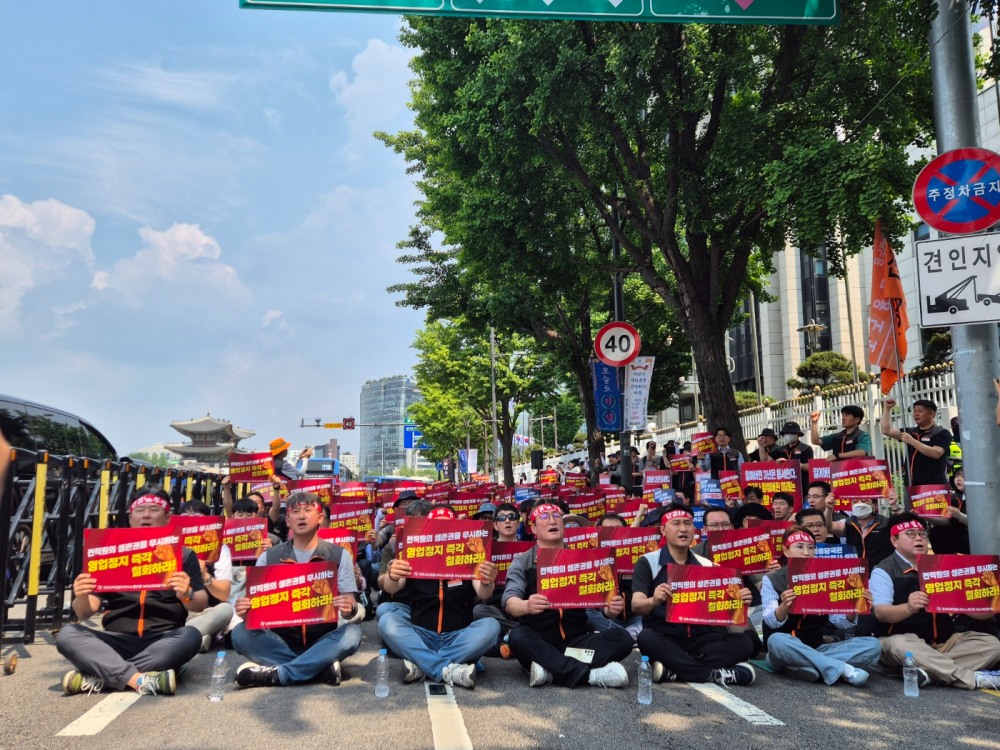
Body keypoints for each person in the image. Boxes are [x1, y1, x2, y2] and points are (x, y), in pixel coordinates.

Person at [57, 487, 206, 696]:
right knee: (68, 634)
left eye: (154, 509)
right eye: (140, 510)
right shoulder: (107, 551)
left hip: (162, 639)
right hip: (115, 639)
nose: (146, 515)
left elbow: (200, 603)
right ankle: (141, 679)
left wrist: (185, 593)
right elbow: (85, 612)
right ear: (130, 517)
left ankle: (104, 675)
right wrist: (81, 594)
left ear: (166, 518)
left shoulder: (184, 554)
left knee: (191, 636)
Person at [231, 492, 363, 688]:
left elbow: (350, 603)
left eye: (308, 510)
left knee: (352, 633)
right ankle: (317, 668)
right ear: (287, 520)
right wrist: (245, 612)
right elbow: (254, 609)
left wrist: (348, 609)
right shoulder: (269, 557)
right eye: (295, 511)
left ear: (320, 518)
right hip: (280, 641)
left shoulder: (339, 555)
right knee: (240, 634)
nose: (301, 516)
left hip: (322, 639)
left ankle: (280, 673)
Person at [502, 503, 633, 688]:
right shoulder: (522, 562)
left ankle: (551, 670)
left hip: (576, 642)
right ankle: (591, 676)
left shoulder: (584, 559)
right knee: (517, 636)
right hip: (540, 639)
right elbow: (509, 601)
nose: (552, 521)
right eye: (544, 517)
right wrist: (526, 606)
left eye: (556, 516)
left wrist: (610, 610)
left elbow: (601, 604)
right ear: (533, 528)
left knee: (623, 639)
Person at [871, 513, 1000, 690]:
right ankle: (972, 679)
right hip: (898, 641)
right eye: (910, 534)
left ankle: (929, 673)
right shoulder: (883, 570)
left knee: (992, 644)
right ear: (894, 541)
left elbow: (979, 613)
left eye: (922, 533)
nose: (918, 538)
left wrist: (990, 601)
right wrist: (908, 607)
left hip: (942, 644)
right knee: (902, 643)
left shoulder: (942, 566)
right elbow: (881, 613)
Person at [632, 504, 756, 686]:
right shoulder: (648, 562)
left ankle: (675, 671)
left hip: (702, 639)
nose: (683, 529)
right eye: (676, 523)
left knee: (745, 642)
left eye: (687, 523)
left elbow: (725, 613)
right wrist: (654, 600)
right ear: (663, 529)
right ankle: (713, 674)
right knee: (646, 638)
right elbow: (636, 605)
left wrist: (739, 602)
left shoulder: (706, 565)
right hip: (666, 637)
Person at [379, 506, 500, 689]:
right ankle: (448, 668)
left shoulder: (470, 554)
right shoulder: (414, 551)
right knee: (387, 621)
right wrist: (393, 575)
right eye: (437, 527)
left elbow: (484, 593)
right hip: (421, 633)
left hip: (458, 636)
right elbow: (391, 587)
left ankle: (423, 663)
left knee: (491, 626)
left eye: (448, 527)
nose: (443, 533)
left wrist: (487, 581)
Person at [762, 527, 881, 686]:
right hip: (785, 646)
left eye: (811, 547)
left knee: (872, 645)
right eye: (800, 546)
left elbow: (839, 621)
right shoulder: (772, 578)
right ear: (786, 550)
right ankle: (844, 669)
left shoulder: (824, 576)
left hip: (817, 647)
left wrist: (854, 608)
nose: (806, 552)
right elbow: (771, 621)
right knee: (776, 640)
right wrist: (784, 606)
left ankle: (804, 665)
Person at [176, 500, 235, 653]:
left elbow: (224, 594)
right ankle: (194, 635)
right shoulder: (166, 547)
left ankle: (191, 634)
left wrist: (204, 575)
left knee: (226, 609)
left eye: (196, 520)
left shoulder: (220, 549)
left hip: (203, 612)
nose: (190, 526)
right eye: (185, 519)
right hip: (171, 614)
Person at [880, 398, 952, 486]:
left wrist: (912, 441)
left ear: (931, 414)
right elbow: (886, 430)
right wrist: (887, 409)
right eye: (914, 411)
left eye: (920, 411)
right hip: (911, 485)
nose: (916, 414)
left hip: (933, 486)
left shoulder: (941, 433)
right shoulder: (911, 432)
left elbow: (936, 453)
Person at [824, 496, 893, 572]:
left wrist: (894, 506)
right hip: (857, 574)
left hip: (882, 572)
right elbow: (828, 527)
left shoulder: (886, 523)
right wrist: (829, 509)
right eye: (855, 501)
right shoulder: (848, 523)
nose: (859, 504)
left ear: (875, 505)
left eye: (864, 501)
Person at [928, 467, 969, 555]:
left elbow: (980, 525)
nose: (958, 479)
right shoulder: (954, 497)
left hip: (977, 537)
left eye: (962, 476)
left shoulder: (981, 498)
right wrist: (925, 516)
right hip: (961, 535)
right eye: (957, 476)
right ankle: (948, 564)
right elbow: (946, 522)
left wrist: (959, 516)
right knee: (936, 533)